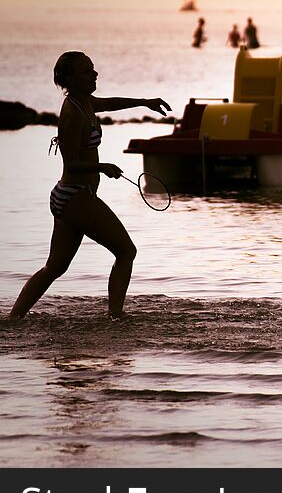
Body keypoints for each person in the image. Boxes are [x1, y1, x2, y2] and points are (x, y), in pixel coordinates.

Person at [7, 52, 171, 319]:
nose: (94, 74)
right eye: (86, 71)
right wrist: (102, 167)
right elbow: (71, 164)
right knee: (126, 251)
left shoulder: (85, 103)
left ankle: (12, 320)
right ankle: (115, 317)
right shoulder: (72, 113)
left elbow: (109, 103)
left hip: (68, 197)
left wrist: (144, 102)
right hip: (76, 196)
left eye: (93, 69)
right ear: (69, 79)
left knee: (55, 267)